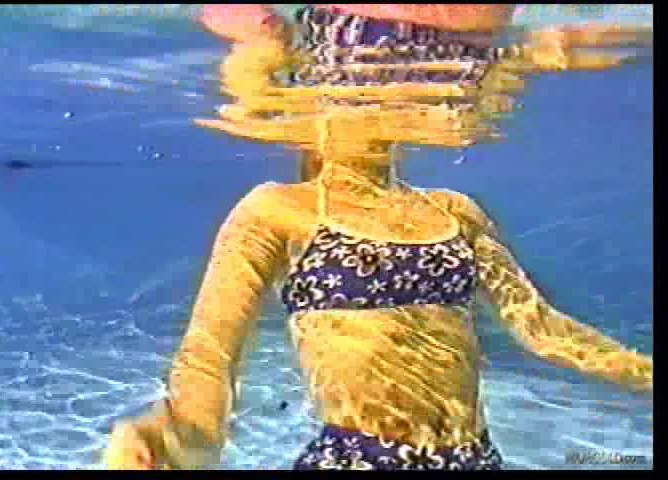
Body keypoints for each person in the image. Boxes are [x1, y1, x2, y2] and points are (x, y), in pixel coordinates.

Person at [103, 5, 652, 470]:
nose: (388, 97)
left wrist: (646, 374)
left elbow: (540, 327)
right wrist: (171, 440)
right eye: (365, 83)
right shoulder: (278, 211)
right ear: (314, 93)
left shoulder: (454, 211)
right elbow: (210, 361)